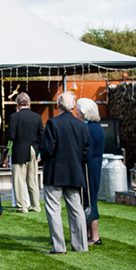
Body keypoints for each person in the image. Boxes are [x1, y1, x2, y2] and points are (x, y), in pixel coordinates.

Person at [42, 92, 91, 254]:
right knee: (76, 209)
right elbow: (86, 153)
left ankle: (58, 246)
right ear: (73, 106)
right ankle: (81, 245)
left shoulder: (52, 123)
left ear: (57, 105)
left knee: (53, 210)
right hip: (74, 171)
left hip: (55, 172)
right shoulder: (83, 126)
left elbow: (47, 149)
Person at [6, 92, 44, 213]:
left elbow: (11, 135)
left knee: (19, 179)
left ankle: (22, 206)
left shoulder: (14, 117)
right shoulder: (37, 117)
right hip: (33, 148)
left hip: (19, 149)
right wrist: (38, 151)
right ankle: (35, 205)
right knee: (32, 179)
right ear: (29, 103)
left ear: (17, 103)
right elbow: (41, 136)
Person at [78, 96, 105, 246]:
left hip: (89, 168)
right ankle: (89, 234)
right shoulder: (96, 127)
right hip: (93, 167)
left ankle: (94, 236)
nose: (76, 113)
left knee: (89, 200)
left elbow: (87, 153)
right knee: (88, 199)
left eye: (78, 111)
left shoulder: (90, 129)